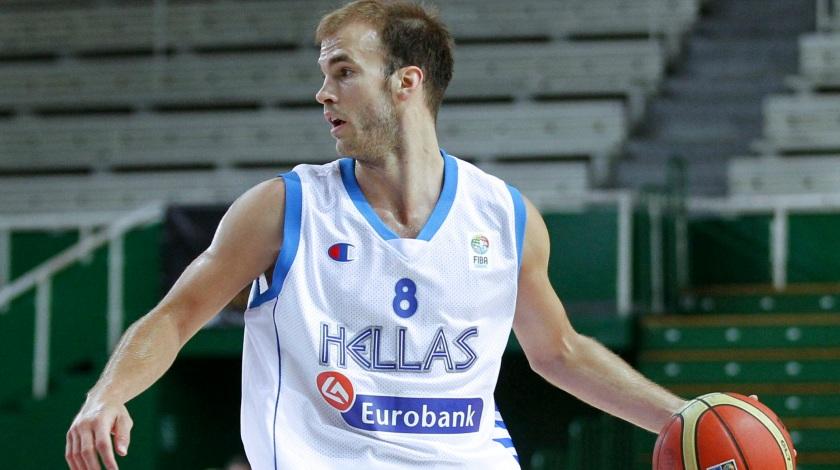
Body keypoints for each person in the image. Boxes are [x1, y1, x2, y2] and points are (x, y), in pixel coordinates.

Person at [65, 1, 686, 469]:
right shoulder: (284, 208)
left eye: (343, 72)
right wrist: (106, 396)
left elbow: (560, 352)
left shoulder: (505, 216)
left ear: (405, 82)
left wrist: (680, 419)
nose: (322, 93)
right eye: (324, 74)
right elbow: (175, 316)